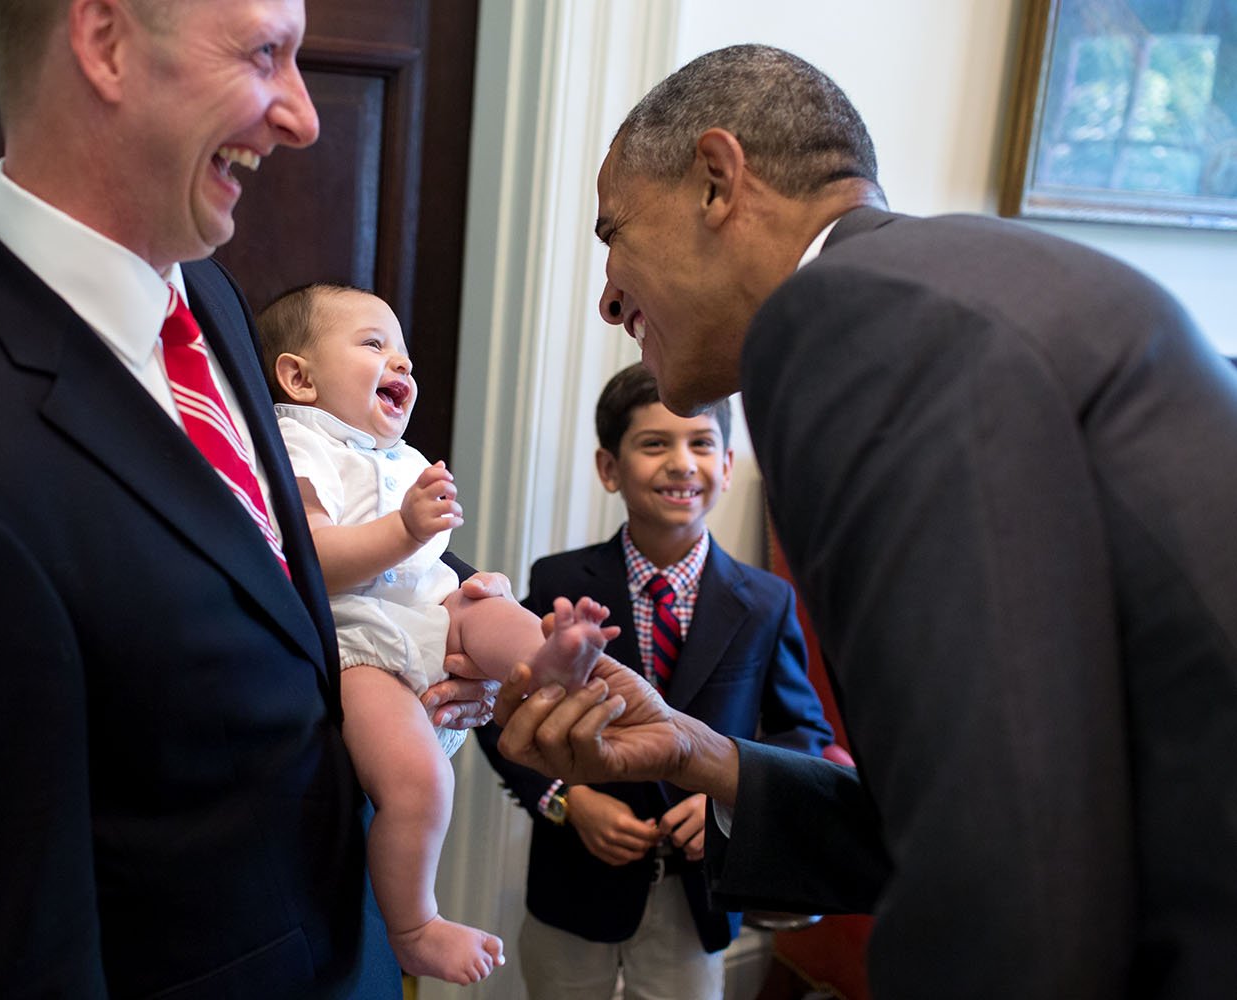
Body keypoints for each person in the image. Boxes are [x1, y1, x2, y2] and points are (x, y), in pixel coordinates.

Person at [492, 43, 1237, 1000]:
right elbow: (954, 797)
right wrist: (694, 750)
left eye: (615, 234)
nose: (608, 296)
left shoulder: (849, 321)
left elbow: (1004, 858)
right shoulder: (921, 283)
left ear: (717, 182)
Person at [0, 1, 498, 996]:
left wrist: (431, 652)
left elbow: (262, 617)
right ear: (105, 40)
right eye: (265, 54)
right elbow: (2, 962)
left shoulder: (202, 295)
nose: (303, 115)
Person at [254, 282, 615, 984]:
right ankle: (416, 924)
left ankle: (550, 656)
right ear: (298, 376)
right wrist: (406, 528)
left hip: (426, 612)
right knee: (421, 783)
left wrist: (476, 585)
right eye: (373, 344)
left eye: (406, 355)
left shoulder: (403, 458)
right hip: (360, 643)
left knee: (487, 604)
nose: (403, 364)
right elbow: (315, 560)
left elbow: (433, 569)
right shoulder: (300, 443)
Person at [476, 362, 833, 1000]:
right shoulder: (560, 581)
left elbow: (801, 729)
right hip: (575, 881)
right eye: (653, 444)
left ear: (726, 467)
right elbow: (499, 706)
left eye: (700, 444)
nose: (680, 462)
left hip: (698, 892)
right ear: (609, 468)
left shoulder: (766, 600)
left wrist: (732, 798)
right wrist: (566, 799)